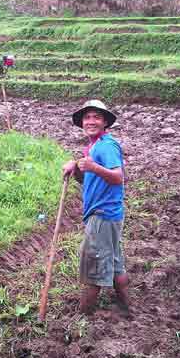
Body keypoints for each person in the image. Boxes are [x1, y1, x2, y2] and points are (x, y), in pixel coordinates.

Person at [62, 100, 130, 316]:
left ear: (105, 122)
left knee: (93, 269)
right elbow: (87, 178)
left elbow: (118, 177)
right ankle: (127, 308)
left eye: (96, 117)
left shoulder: (107, 146)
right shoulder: (93, 146)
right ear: (82, 122)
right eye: (87, 117)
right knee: (115, 263)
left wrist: (92, 166)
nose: (91, 121)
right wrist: (76, 167)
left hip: (102, 215)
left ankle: (83, 317)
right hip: (108, 215)